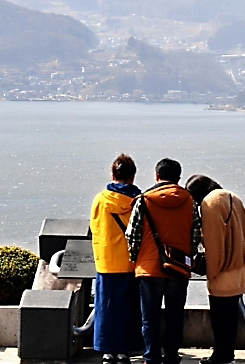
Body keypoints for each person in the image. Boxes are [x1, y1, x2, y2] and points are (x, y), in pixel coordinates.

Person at [126, 159, 201, 364]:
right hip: (178, 269)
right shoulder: (190, 202)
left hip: (149, 269)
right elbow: (196, 236)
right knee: (174, 316)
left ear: (157, 176)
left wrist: (136, 260)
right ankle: (171, 355)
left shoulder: (144, 200)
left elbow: (132, 235)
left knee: (149, 317)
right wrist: (187, 258)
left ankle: (151, 356)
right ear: (179, 177)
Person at [185, 175, 245, 364]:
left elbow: (214, 242)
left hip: (224, 270)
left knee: (220, 318)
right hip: (241, 267)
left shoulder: (210, 204)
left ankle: (221, 356)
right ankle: (227, 354)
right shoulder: (232, 196)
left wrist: (212, 272)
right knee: (231, 316)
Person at [90, 154, 143, 364]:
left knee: (106, 306)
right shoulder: (138, 200)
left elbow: (94, 227)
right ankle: (125, 351)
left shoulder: (101, 199)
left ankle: (106, 350)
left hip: (106, 261)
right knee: (129, 307)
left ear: (113, 174)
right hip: (131, 263)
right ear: (132, 176)